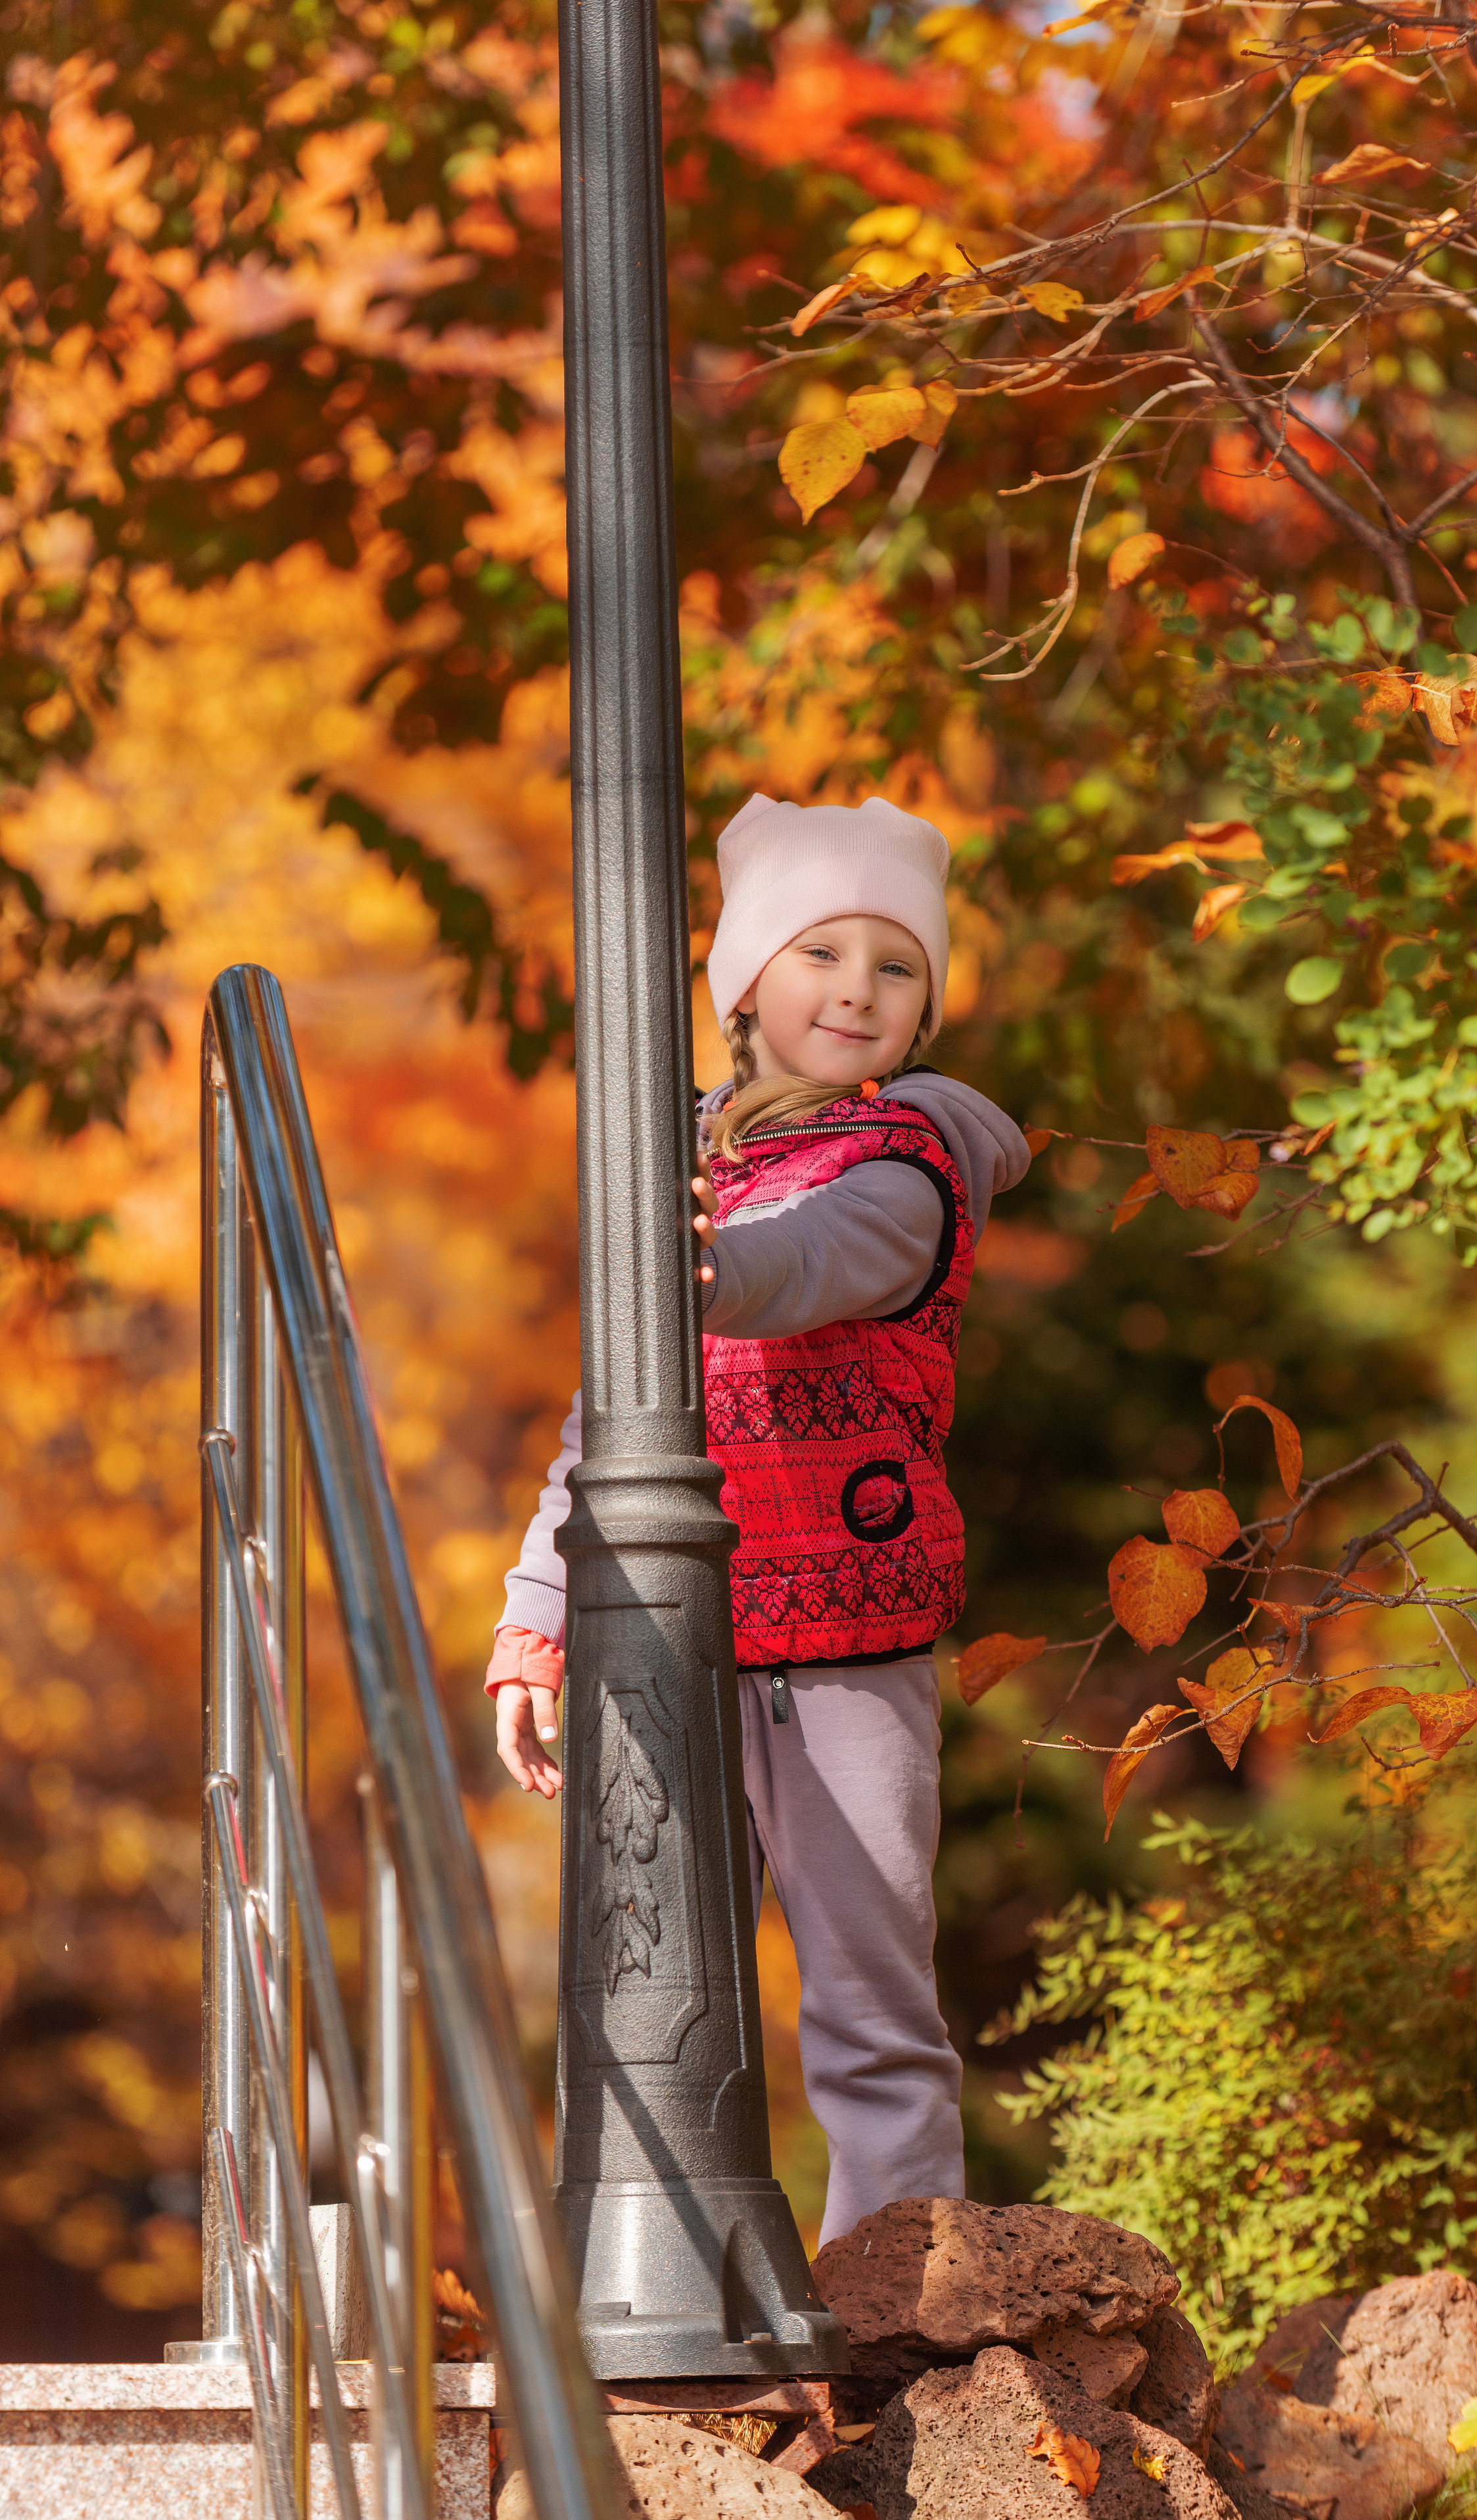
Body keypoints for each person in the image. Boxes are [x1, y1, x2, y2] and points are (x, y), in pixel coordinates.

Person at [484, 792, 1030, 2246]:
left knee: (865, 2000)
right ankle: (671, 2284)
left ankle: (898, 2307)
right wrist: (537, 1616)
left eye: (893, 964)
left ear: (922, 1009)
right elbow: (610, 1421)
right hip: (661, 1642)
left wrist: (691, 1264)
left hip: (841, 1649)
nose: (856, 986)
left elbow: (798, 1269)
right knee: (652, 1988)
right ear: (743, 985)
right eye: (819, 952)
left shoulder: (907, 1165)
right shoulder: (690, 1162)